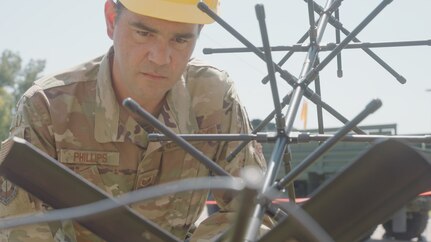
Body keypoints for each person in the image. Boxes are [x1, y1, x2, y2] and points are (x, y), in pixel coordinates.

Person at [0, 0, 267, 241]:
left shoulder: (215, 99)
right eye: (144, 33)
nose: (160, 58)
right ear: (111, 20)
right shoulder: (48, 107)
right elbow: (24, 231)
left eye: (180, 40)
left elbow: (249, 213)